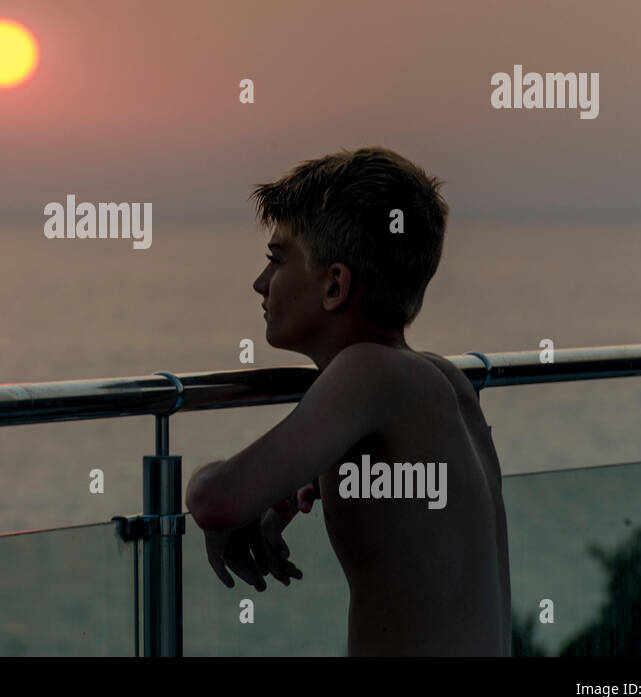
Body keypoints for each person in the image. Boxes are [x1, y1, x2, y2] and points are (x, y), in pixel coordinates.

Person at [185, 147, 511, 655]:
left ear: (335, 284)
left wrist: (206, 477)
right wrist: (304, 480)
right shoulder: (443, 379)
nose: (260, 283)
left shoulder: (368, 371)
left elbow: (216, 500)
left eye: (276, 260)